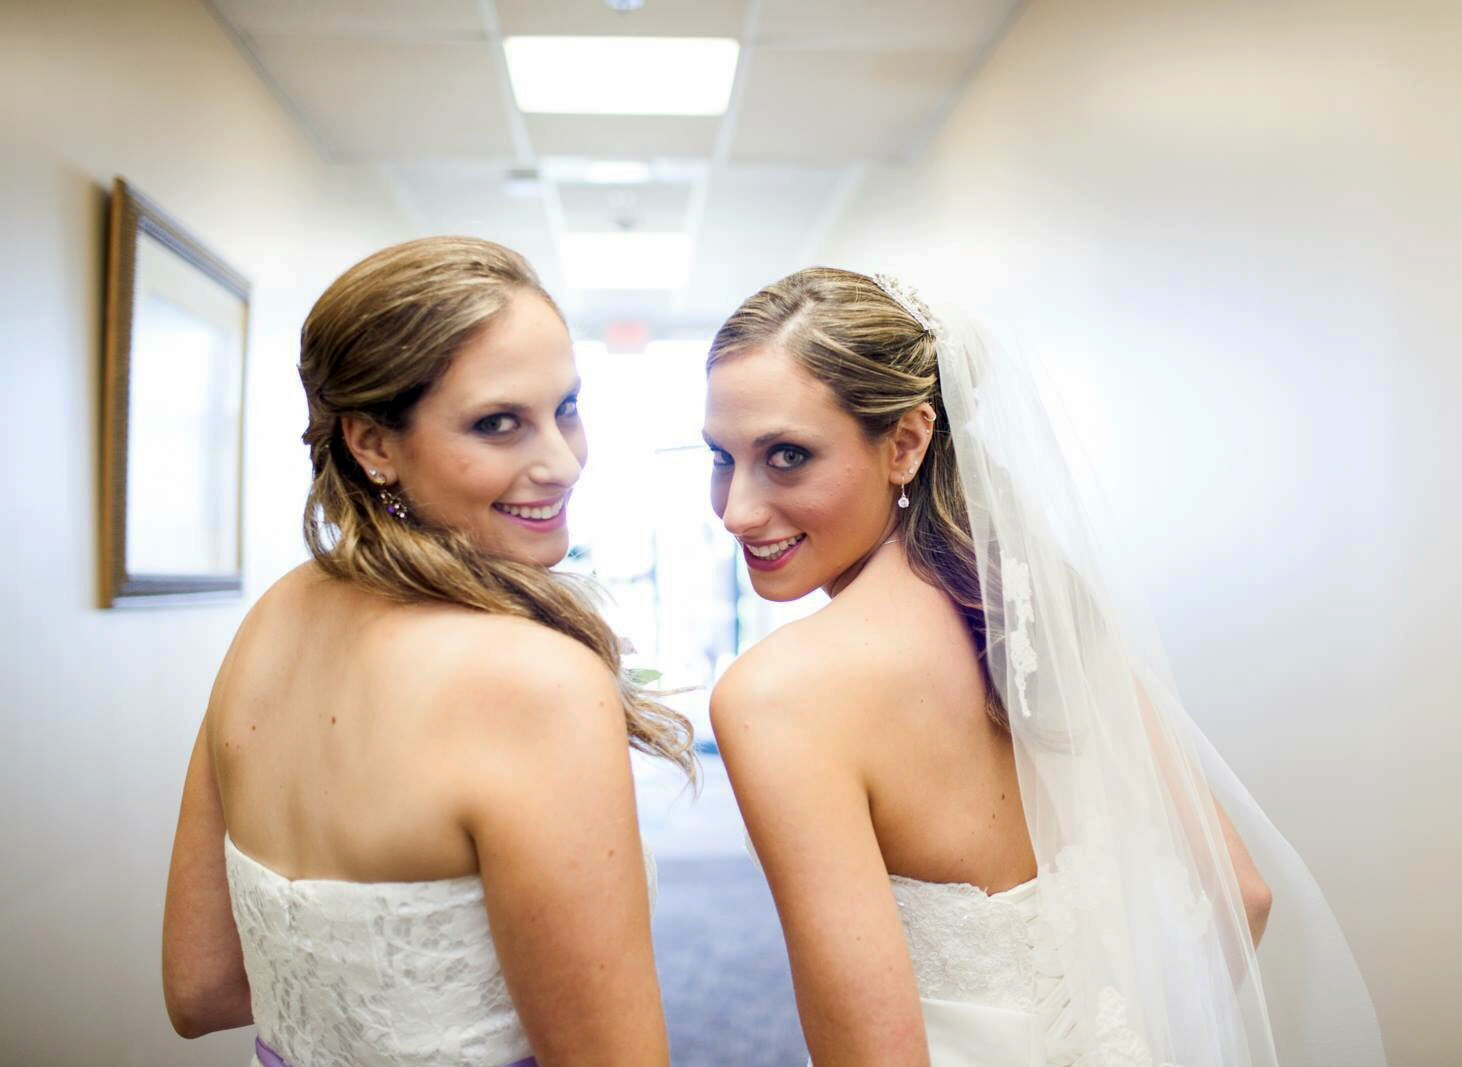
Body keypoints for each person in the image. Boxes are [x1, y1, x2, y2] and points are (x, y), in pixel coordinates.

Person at [703, 267, 1384, 1065]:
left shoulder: (779, 696)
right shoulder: (1039, 612)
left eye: (787, 456)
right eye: (722, 457)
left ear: (909, 442)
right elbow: (1241, 894)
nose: (736, 510)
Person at [160, 237, 689, 1067]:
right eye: (498, 423)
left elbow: (203, 988)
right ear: (373, 443)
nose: (561, 462)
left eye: (568, 408)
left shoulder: (273, 618)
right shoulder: (537, 682)